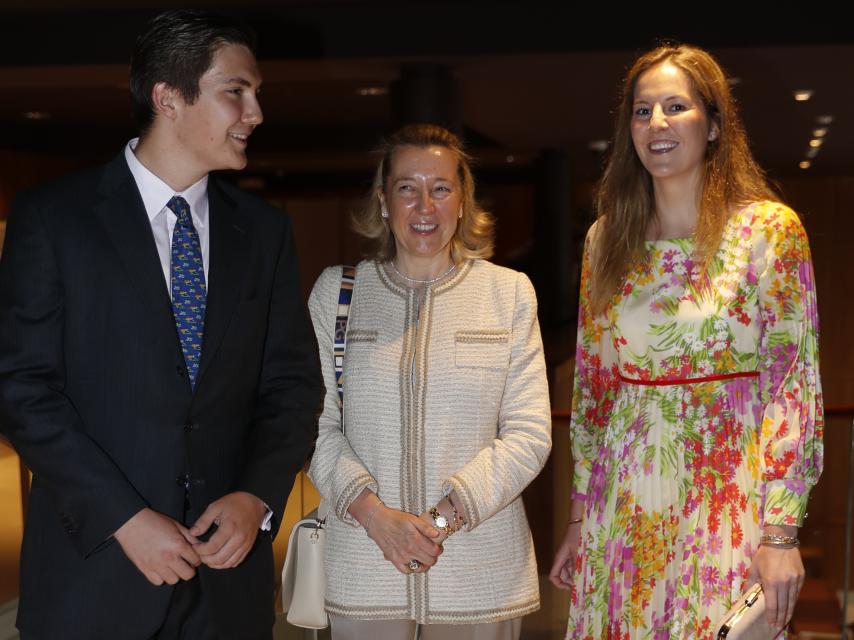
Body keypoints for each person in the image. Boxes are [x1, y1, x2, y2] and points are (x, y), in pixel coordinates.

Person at [0, 10, 322, 640]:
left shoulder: (264, 232)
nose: (254, 113)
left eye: (256, 94)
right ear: (168, 97)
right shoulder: (54, 220)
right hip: (92, 574)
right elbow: (23, 390)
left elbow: (291, 387)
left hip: (227, 589)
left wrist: (256, 496)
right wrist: (125, 519)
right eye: (237, 91)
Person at [549, 44, 823, 639]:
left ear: (715, 124)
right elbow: (595, 391)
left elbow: (792, 390)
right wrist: (577, 517)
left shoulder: (769, 232)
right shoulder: (605, 240)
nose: (657, 124)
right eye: (642, 111)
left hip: (727, 499)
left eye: (676, 106)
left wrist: (780, 533)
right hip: (622, 502)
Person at [307, 123, 551, 639]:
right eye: (407, 188)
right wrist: (376, 518)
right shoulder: (338, 295)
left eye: (440, 188)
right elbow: (315, 425)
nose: (425, 205)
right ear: (383, 200)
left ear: (462, 201)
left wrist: (441, 521)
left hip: (480, 576)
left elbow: (529, 433)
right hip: (365, 567)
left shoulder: (508, 295)